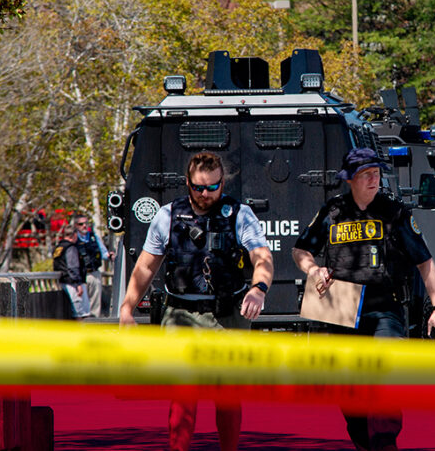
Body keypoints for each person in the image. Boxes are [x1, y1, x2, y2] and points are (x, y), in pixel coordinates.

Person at [292, 147, 435, 451]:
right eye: (366, 174)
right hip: (340, 306)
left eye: (376, 173)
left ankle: (385, 442)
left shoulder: (395, 212)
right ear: (350, 179)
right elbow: (300, 250)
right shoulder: (332, 212)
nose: (373, 179)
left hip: (384, 306)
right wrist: (313, 269)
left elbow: (425, 262)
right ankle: (367, 440)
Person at [118, 151, 274, 451]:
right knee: (183, 394)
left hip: (227, 317)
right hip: (181, 316)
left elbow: (262, 256)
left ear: (222, 182)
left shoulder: (240, 214)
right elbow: (147, 266)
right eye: (198, 187)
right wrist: (127, 307)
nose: (205, 194)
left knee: (227, 395)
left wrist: (259, 288)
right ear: (187, 183)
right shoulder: (167, 216)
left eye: (213, 187)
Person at [72, 214, 114, 318]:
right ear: (76, 226)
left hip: (94, 273)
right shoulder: (73, 239)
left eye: (86, 223)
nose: (84, 226)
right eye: (81, 224)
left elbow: (103, 252)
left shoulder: (93, 237)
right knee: (82, 303)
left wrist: (109, 255)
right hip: (81, 275)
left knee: (95, 303)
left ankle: (95, 324)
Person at [53, 225, 91, 320]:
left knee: (76, 311)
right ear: (74, 235)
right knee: (81, 313)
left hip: (64, 281)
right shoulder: (71, 248)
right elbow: (72, 266)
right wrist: (78, 283)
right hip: (73, 283)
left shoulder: (59, 247)